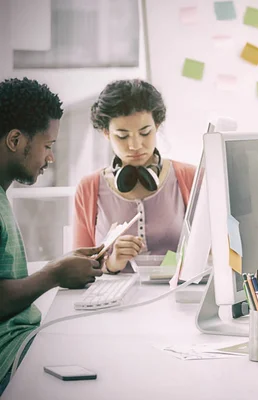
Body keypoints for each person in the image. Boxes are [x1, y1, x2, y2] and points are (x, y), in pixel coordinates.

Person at [0, 78, 104, 396]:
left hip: (24, 341)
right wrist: (55, 274)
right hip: (9, 360)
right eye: (48, 146)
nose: (50, 158)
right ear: (16, 140)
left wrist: (60, 265)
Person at [74, 79, 196, 274]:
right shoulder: (89, 188)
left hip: (176, 295)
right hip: (115, 300)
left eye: (145, 132)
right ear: (106, 133)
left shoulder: (190, 177)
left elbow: (214, 251)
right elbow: (80, 267)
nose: (135, 145)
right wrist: (113, 262)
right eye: (122, 136)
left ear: (157, 125)